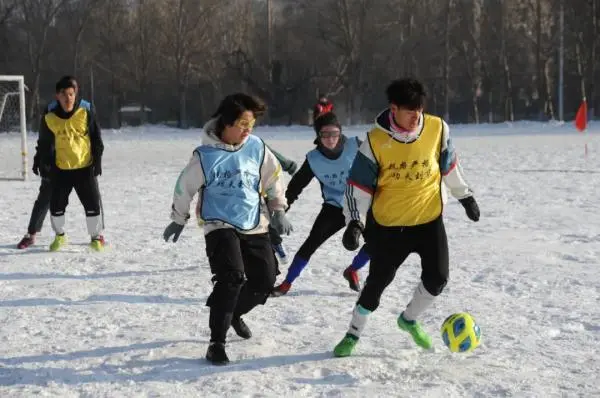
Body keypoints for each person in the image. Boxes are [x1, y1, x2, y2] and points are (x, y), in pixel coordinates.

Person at [333, 78, 480, 357]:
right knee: (377, 284)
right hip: (388, 226)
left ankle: (409, 320)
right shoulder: (375, 141)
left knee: (438, 279)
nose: (416, 116)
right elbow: (358, 187)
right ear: (394, 108)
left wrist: (465, 196)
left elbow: (448, 166)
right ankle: (352, 335)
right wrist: (355, 222)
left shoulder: (437, 129)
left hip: (428, 220)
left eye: (420, 109)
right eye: (410, 110)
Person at [163, 93, 293, 365]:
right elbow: (184, 186)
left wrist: (278, 208)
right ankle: (217, 343)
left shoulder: (256, 147)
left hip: (254, 221)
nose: (248, 130)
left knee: (264, 281)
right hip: (218, 223)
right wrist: (178, 217)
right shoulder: (205, 155)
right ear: (226, 122)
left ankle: (234, 312)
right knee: (231, 277)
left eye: (252, 125)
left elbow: (273, 177)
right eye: (243, 124)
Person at [271, 112, 370, 297]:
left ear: (340, 132)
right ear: (318, 136)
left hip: (361, 204)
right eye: (325, 135)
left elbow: (381, 166)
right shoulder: (313, 159)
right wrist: (280, 211)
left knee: (377, 242)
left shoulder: (356, 146)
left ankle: (353, 270)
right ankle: (286, 283)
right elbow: (294, 188)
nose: (331, 139)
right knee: (311, 243)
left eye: (334, 133)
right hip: (334, 208)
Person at [36, 75, 105, 252]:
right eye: (64, 94)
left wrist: (97, 160)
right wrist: (39, 159)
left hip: (84, 167)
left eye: (71, 94)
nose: (68, 99)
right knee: (56, 206)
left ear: (76, 95)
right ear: (57, 96)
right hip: (61, 169)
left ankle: (96, 238)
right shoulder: (49, 113)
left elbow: (96, 137)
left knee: (92, 205)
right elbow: (44, 140)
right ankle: (60, 236)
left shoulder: (86, 109)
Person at [266, 147, 297, 264]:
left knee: (267, 219)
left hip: (262, 189)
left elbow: (268, 154)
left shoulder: (252, 142)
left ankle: (276, 243)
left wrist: (288, 165)